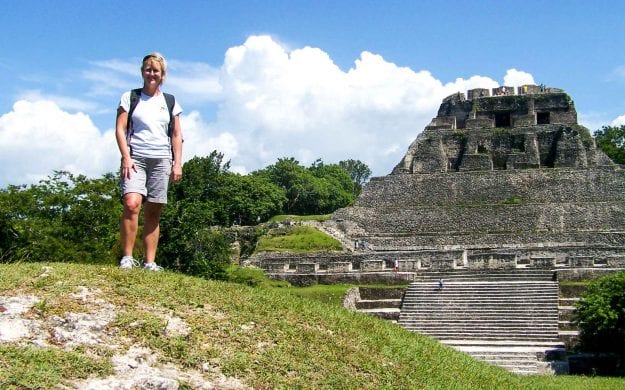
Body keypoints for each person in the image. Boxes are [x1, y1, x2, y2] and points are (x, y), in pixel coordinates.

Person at [115, 52, 183, 271]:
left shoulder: (170, 101)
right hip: (135, 157)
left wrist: (177, 163)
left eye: (156, 70)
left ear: (162, 75)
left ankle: (150, 262)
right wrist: (126, 156)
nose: (151, 74)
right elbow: (120, 129)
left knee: (153, 211)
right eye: (148, 69)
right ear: (142, 72)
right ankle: (127, 258)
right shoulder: (130, 97)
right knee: (132, 203)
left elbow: (176, 135)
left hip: (161, 159)